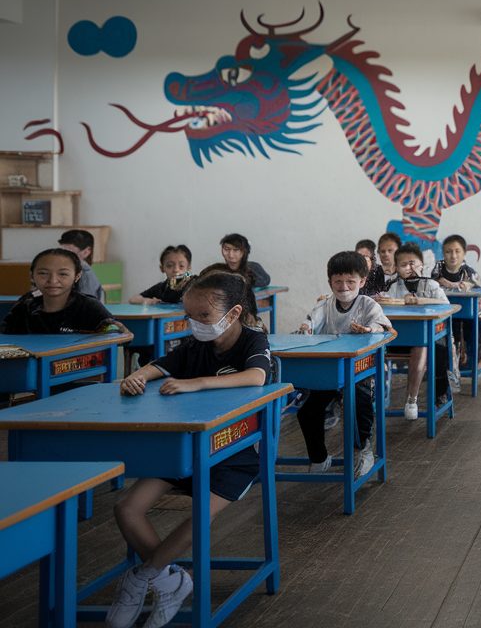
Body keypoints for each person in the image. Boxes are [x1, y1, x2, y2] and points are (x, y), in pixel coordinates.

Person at [108, 271, 273, 628]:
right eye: (190, 316)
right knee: (127, 508)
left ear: (234, 313)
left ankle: (142, 576)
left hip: (237, 453)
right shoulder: (195, 344)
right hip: (187, 446)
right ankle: (171, 581)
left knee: (200, 515)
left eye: (204, 317)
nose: (195, 324)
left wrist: (195, 384)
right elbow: (160, 366)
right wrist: (138, 377)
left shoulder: (252, 340)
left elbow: (256, 377)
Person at [296, 251, 392, 477]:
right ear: (330, 282)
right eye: (338, 281)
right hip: (331, 370)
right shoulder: (324, 305)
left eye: (351, 281)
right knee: (307, 412)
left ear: (362, 281)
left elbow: (384, 327)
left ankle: (364, 450)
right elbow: (311, 322)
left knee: (359, 401)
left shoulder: (368, 305)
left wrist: (369, 330)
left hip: (361, 368)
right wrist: (306, 328)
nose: (344, 287)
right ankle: (319, 458)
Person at [377, 242, 451, 418]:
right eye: (404, 265)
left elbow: (446, 306)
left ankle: (412, 399)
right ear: (396, 268)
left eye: (413, 263)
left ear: (422, 265)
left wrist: (422, 301)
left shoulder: (431, 285)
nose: (409, 268)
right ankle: (375, 399)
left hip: (428, 339)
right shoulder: (393, 287)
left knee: (426, 346)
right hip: (398, 339)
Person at [2, 248, 123, 334]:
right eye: (43, 273)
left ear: (77, 276)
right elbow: (5, 334)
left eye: (63, 274)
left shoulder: (88, 306)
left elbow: (118, 334)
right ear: (32, 276)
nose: (53, 280)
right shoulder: (26, 303)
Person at [431, 233, 481, 367]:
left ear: (464, 253)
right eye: (448, 252)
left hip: (465, 313)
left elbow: (480, 285)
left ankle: (471, 359)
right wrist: (448, 283)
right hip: (444, 313)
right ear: (443, 253)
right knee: (442, 329)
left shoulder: (468, 271)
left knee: (477, 324)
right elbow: (434, 279)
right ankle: (442, 364)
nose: (453, 256)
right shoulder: (438, 266)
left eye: (457, 251)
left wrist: (470, 284)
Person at [130, 245, 195, 305]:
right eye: (169, 265)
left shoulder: (192, 285)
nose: (176, 270)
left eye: (181, 266)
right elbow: (133, 299)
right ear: (162, 268)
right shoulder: (161, 288)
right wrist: (148, 301)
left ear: (188, 268)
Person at [58, 229, 104, 300]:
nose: (63, 257)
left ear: (86, 252)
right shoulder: (68, 270)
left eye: (69, 253)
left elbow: (85, 306)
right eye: (61, 252)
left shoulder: (85, 275)